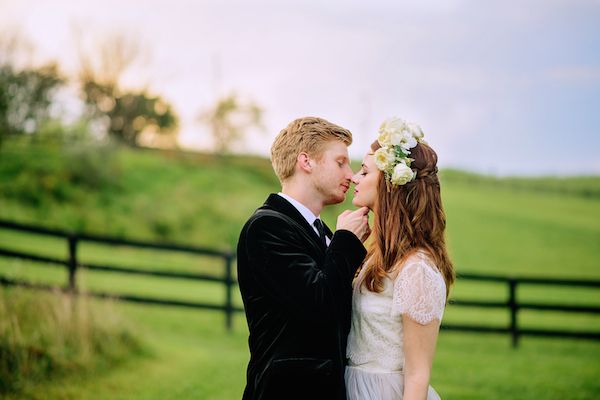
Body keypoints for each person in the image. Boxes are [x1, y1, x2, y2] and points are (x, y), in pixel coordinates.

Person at [237, 117, 371, 400]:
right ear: (306, 162)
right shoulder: (266, 227)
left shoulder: (322, 231)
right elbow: (319, 304)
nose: (351, 174)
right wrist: (346, 243)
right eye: (340, 162)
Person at [345, 117, 455, 400]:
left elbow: (418, 374)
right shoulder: (374, 255)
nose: (355, 178)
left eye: (365, 172)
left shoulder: (416, 268)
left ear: (389, 185)